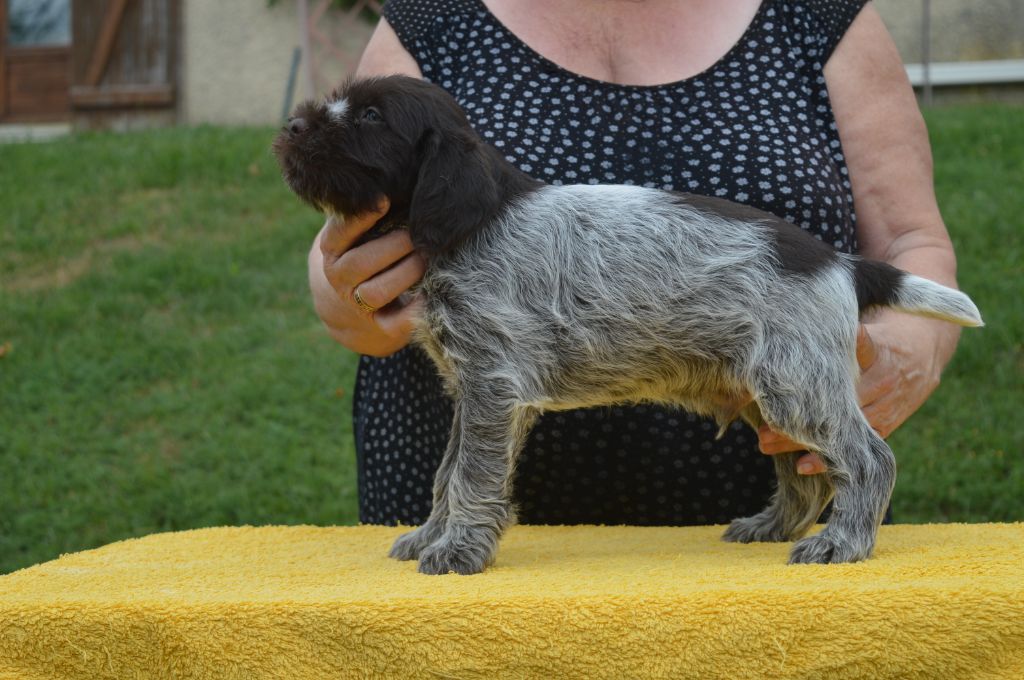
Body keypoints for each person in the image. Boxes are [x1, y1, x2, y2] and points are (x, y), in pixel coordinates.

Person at [307, 0, 965, 526]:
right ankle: (460, 519)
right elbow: (351, 220)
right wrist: (344, 291)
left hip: (741, 544)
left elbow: (913, 237)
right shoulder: (433, 14)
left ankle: (813, 512)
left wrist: (918, 340)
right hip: (462, 532)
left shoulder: (820, 12)